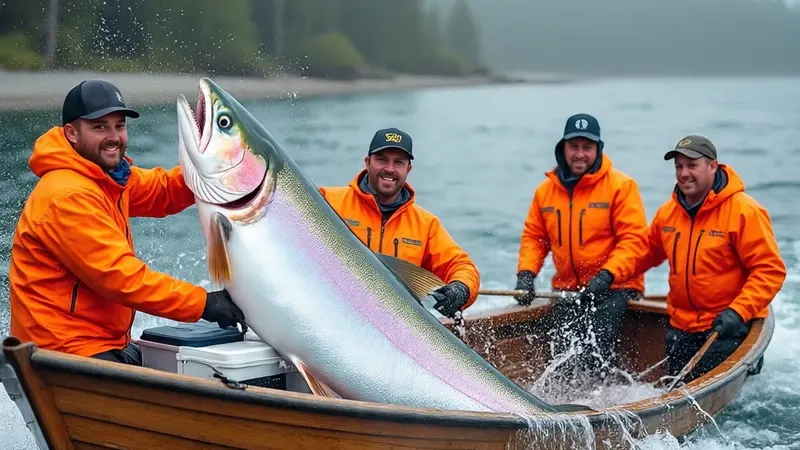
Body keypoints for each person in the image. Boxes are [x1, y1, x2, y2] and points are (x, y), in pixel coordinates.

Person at [9, 80, 245, 366]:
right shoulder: (67, 196)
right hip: (63, 352)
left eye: (119, 126)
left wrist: (219, 169)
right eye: (99, 127)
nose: (113, 136)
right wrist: (203, 303)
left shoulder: (107, 177)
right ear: (72, 133)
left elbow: (162, 192)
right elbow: (122, 279)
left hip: (99, 343)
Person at [632, 135, 786, 383]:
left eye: (692, 165)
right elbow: (643, 254)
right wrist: (609, 275)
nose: (684, 173)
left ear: (713, 166)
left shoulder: (745, 211)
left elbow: (770, 271)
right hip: (681, 327)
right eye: (679, 166)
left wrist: (737, 312)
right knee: (674, 388)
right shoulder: (668, 213)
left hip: (727, 328)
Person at [514, 113, 649, 378]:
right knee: (561, 363)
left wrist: (607, 275)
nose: (579, 154)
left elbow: (634, 241)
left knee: (592, 358)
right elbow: (535, 238)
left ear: (598, 150)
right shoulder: (545, 191)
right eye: (573, 147)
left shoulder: (622, 186)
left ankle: (597, 409)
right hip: (566, 290)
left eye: (587, 147)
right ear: (562, 149)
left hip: (614, 290)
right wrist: (525, 275)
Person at [319, 127, 480, 319]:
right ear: (367, 162)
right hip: (330, 316)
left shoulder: (426, 225)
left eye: (399, 162)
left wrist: (461, 288)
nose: (389, 169)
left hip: (395, 328)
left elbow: (462, 266)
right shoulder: (327, 201)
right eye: (382, 160)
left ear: (408, 169)